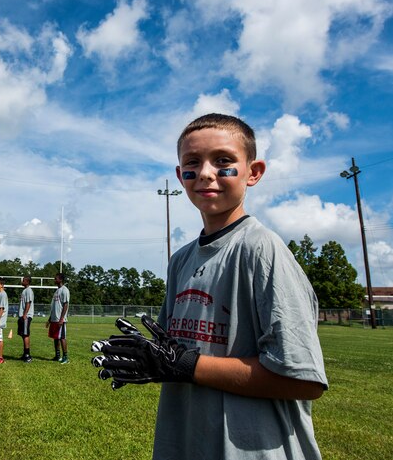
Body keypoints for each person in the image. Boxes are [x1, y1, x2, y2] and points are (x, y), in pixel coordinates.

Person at [93, 113, 328, 459]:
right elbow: (175, 353)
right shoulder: (181, 260)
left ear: (254, 172)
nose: (205, 173)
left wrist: (186, 365)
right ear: (180, 176)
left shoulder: (261, 249)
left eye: (223, 161)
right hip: (188, 443)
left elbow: (302, 379)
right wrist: (153, 362)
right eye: (192, 163)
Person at [46, 272, 70, 364]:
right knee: (55, 338)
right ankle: (57, 356)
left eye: (56, 278)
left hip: (60, 320)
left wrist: (61, 319)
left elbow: (65, 305)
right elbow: (54, 307)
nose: (54, 280)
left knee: (62, 337)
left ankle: (65, 357)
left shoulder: (65, 290)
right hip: (54, 319)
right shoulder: (56, 291)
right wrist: (49, 320)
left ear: (60, 279)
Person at [18, 276, 35, 362]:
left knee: (25, 334)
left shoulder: (29, 290)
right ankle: (25, 354)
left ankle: (27, 355)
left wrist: (25, 314)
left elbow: (28, 303)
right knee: (23, 334)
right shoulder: (24, 290)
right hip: (22, 316)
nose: (22, 281)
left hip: (26, 316)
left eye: (23, 280)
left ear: (27, 282)